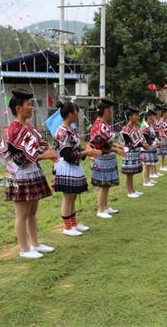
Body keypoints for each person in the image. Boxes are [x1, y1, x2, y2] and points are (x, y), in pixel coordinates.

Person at [0, 89, 58, 259]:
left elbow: (39, 145)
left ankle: (35, 244)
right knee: (21, 214)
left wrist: (50, 153)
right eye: (29, 105)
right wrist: (44, 155)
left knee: (32, 211)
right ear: (18, 108)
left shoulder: (28, 127)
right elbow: (19, 157)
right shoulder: (13, 129)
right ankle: (24, 249)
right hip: (19, 173)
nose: (32, 108)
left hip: (31, 171)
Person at [53, 100, 101, 237]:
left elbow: (75, 148)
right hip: (66, 166)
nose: (78, 115)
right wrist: (86, 153)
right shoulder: (62, 132)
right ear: (70, 114)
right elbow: (67, 154)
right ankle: (67, 226)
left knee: (73, 196)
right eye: (76, 112)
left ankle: (73, 223)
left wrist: (88, 150)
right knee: (68, 197)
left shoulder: (70, 129)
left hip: (73, 166)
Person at [89, 99, 125, 219]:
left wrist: (116, 146)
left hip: (107, 158)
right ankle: (101, 209)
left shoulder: (104, 124)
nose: (112, 112)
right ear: (106, 111)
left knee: (107, 185)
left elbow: (108, 142)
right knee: (104, 185)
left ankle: (105, 206)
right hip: (102, 158)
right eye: (110, 110)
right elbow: (102, 146)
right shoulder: (100, 125)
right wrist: (116, 150)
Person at [120, 105, 149, 198]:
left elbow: (140, 139)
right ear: (130, 117)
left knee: (131, 174)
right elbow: (128, 143)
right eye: (135, 115)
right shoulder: (126, 129)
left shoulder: (135, 127)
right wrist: (142, 145)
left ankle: (132, 190)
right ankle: (129, 191)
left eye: (138, 115)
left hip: (134, 153)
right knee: (129, 174)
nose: (137, 117)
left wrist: (143, 144)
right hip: (128, 154)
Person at [141, 110, 162, 187]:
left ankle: (148, 180)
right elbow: (147, 140)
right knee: (146, 166)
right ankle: (145, 182)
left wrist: (157, 142)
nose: (154, 119)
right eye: (152, 118)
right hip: (146, 149)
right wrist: (157, 143)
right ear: (149, 118)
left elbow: (153, 137)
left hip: (151, 147)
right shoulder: (144, 127)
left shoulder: (150, 126)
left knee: (149, 165)